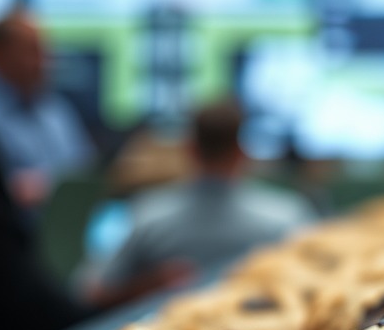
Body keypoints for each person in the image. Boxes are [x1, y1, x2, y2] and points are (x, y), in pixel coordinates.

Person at [89, 100, 316, 291]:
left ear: (190, 149)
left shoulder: (148, 215)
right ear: (242, 153)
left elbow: (93, 289)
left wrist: (151, 284)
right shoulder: (287, 217)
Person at [0, 12, 96, 209]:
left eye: (45, 50)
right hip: (4, 230)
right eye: (32, 51)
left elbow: (85, 173)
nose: (44, 61)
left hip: (64, 225)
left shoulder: (56, 108)